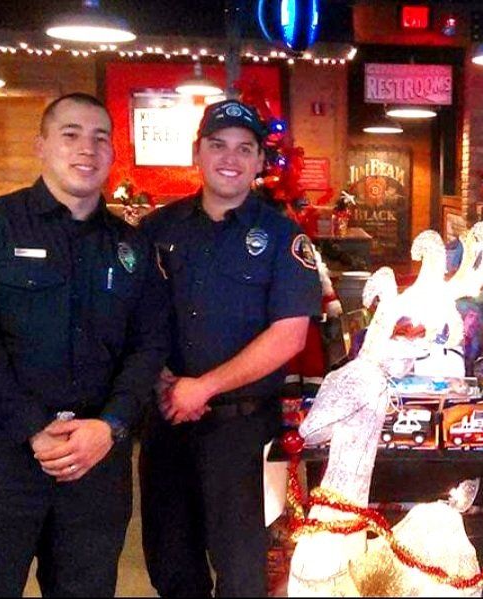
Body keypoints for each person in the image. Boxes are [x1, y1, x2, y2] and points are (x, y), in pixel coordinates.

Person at [0, 92, 169, 596]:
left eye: (100, 137)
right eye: (71, 134)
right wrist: (33, 428)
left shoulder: (131, 247)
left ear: (112, 153)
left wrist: (112, 426)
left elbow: (149, 346)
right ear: (41, 145)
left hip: (94, 460)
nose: (87, 148)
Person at [139, 99, 321, 597]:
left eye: (245, 149)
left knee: (243, 575)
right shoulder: (156, 231)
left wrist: (203, 387)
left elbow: (290, 335)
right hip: (166, 425)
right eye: (218, 145)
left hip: (242, 433)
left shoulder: (284, 237)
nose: (230, 158)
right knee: (171, 568)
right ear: (197, 152)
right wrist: (164, 383)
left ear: (261, 160)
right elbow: (133, 320)